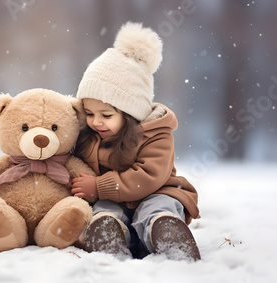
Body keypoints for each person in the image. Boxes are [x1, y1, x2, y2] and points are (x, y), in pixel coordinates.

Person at [71, 22, 201, 261]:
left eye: (106, 115)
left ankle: (165, 232)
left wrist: (99, 186)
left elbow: (148, 176)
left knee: (158, 207)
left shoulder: (156, 133)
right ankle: (108, 233)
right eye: (89, 113)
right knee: (105, 210)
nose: (96, 122)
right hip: (111, 199)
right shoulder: (88, 136)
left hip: (156, 191)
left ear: (130, 112)